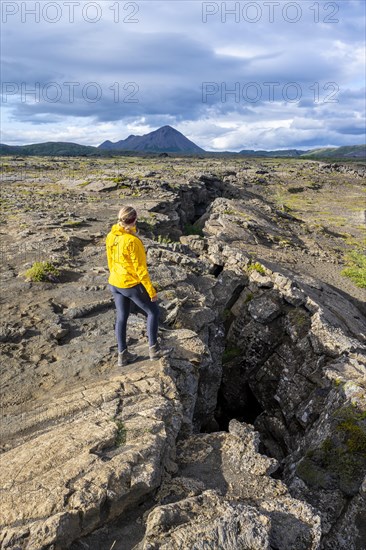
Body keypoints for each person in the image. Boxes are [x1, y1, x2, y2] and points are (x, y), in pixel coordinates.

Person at [106, 205, 170, 366]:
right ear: (134, 220)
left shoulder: (111, 236)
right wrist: (151, 291)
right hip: (130, 284)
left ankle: (123, 355)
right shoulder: (133, 241)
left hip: (114, 282)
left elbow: (110, 260)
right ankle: (154, 351)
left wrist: (114, 275)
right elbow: (141, 270)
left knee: (121, 317)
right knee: (154, 312)